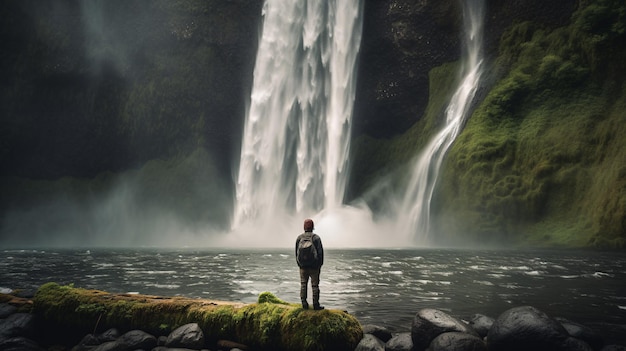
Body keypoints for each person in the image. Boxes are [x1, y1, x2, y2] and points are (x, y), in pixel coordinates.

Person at [295, 218, 324, 310]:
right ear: (313, 227)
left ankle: (304, 303)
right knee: (315, 285)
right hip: (314, 266)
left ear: (304, 227)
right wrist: (319, 264)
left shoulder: (299, 238)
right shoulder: (316, 238)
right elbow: (320, 253)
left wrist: (299, 264)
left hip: (303, 266)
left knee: (303, 284)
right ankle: (316, 304)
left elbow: (296, 252)